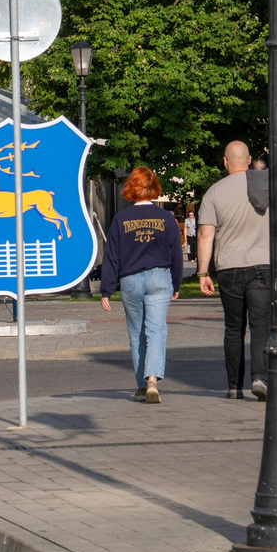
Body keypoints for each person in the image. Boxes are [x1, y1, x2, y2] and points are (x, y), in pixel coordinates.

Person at [98, 166, 183, 404]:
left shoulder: (121, 219)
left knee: (136, 334)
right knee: (156, 330)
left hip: (131, 279)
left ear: (131, 189)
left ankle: (140, 385)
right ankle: (153, 380)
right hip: (159, 277)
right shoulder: (166, 218)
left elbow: (112, 256)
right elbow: (175, 253)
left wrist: (106, 290)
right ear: (154, 189)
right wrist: (176, 283)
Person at [197, 141, 273, 402]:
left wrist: (202, 273)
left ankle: (233, 386)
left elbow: (206, 236)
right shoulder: (266, 187)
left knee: (233, 328)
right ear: (250, 160)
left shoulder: (214, 192)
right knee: (261, 325)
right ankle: (260, 377)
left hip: (228, 267)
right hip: (263, 264)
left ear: (225, 161)